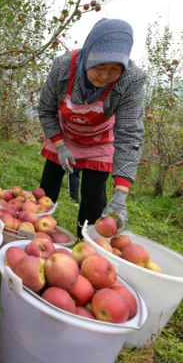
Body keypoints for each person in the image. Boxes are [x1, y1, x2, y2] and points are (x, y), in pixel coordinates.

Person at [38, 18, 146, 239]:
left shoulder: (131, 80)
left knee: (93, 197)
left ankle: (84, 242)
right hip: (64, 134)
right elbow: (46, 110)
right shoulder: (63, 67)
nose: (106, 76)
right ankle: (37, 227)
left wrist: (121, 193)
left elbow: (130, 135)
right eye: (99, 67)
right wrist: (59, 145)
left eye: (115, 69)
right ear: (88, 55)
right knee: (47, 187)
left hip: (100, 141)